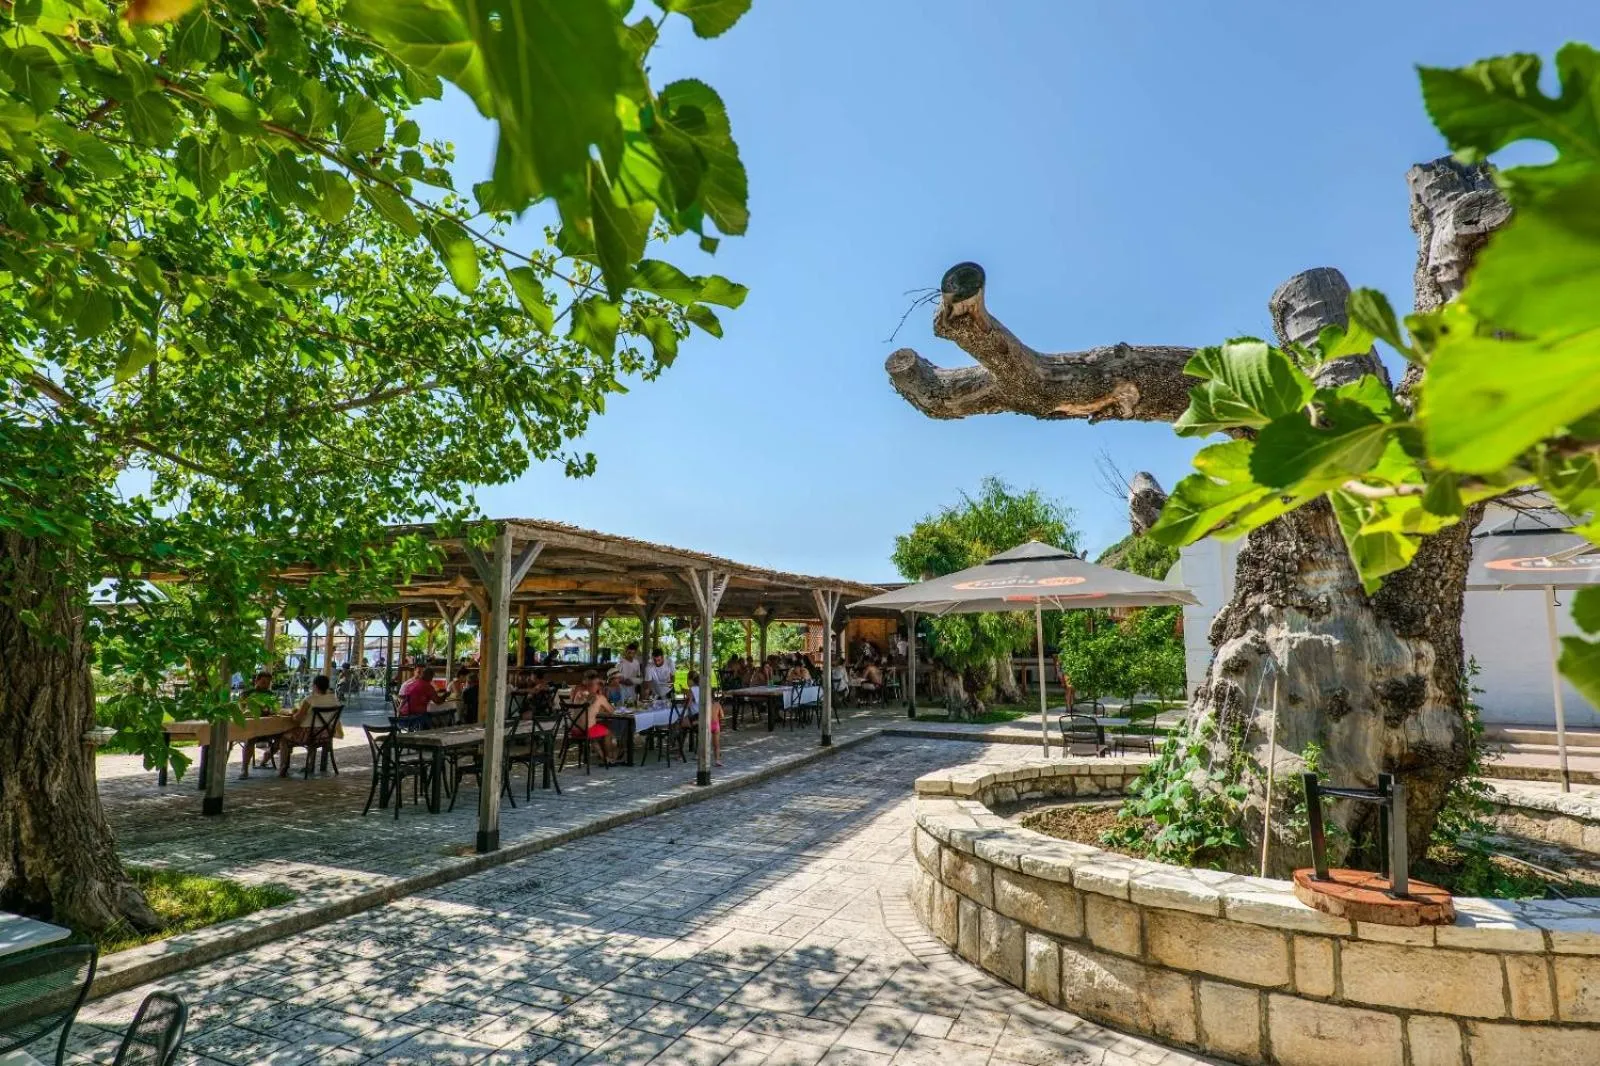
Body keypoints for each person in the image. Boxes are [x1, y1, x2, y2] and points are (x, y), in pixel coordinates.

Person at [276, 674, 342, 777]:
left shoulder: (310, 699)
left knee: (283, 738)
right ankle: (310, 765)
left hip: (309, 735)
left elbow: (298, 718)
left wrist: (291, 714)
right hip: (326, 734)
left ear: (315, 686)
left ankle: (283, 768)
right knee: (308, 733)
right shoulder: (334, 699)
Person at [570, 671, 617, 763]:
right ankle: (609, 758)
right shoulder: (599, 698)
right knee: (608, 732)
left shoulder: (578, 694)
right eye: (598, 684)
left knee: (599, 726)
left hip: (574, 730)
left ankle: (602, 755)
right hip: (587, 731)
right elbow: (612, 711)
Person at [686, 670, 722, 767]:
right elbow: (722, 716)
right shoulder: (716, 703)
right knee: (716, 744)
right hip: (716, 724)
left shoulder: (693, 691)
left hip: (704, 721)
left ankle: (698, 756)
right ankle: (718, 760)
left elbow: (688, 705)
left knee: (701, 737)